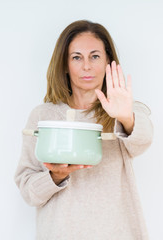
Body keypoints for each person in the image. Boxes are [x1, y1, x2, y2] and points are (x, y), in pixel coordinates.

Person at [14, 20, 153, 240]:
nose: (86, 66)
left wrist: (125, 115)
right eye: (76, 57)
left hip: (118, 232)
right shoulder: (43, 116)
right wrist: (55, 176)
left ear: (108, 60)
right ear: (65, 65)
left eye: (95, 56)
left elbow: (142, 141)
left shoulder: (125, 111)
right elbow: (28, 190)